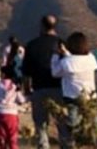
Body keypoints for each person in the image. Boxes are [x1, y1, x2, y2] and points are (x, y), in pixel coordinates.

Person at [22, 15, 65, 149]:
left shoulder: (32, 45)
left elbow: (26, 72)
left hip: (39, 87)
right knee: (62, 122)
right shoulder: (62, 44)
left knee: (41, 123)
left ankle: (43, 145)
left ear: (41, 26)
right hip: (59, 88)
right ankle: (66, 144)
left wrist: (27, 89)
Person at [51, 32, 97, 149]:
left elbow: (55, 73)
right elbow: (77, 62)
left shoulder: (66, 62)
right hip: (90, 97)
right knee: (96, 127)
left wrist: (55, 56)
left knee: (73, 127)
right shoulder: (91, 58)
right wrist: (66, 54)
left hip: (72, 98)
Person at [0, 65, 27, 149]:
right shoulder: (14, 86)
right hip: (11, 114)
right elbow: (22, 100)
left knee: (2, 137)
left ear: (3, 74)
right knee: (12, 137)